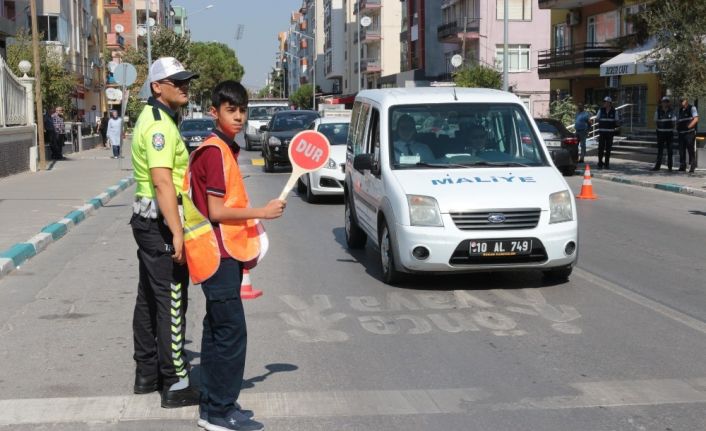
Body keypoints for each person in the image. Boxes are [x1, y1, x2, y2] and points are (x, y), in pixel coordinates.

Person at [184, 80, 285, 431]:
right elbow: (215, 211)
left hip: (221, 253)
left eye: (243, 110)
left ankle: (214, 405)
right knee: (230, 333)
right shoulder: (214, 151)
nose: (239, 116)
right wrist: (261, 212)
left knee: (216, 331)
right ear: (215, 112)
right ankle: (219, 413)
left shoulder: (225, 149)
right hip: (216, 254)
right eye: (231, 110)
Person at [129, 57, 200, 408]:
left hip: (148, 220)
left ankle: (147, 373)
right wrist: (176, 231)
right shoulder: (159, 125)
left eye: (186, 80)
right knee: (172, 298)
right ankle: (175, 381)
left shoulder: (162, 118)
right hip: (159, 221)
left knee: (148, 297)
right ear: (158, 87)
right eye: (177, 81)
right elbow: (161, 181)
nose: (184, 85)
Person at [594, 96, 619, 169]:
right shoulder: (601, 110)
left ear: (609, 103)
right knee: (600, 148)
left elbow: (617, 121)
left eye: (606, 102)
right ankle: (600, 163)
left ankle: (607, 164)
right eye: (604, 102)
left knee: (608, 149)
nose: (604, 103)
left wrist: (617, 124)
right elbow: (597, 119)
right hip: (602, 132)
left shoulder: (614, 111)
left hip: (610, 133)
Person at [653, 96, 676, 172]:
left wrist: (671, 129)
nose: (665, 103)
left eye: (666, 101)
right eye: (664, 101)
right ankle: (657, 166)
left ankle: (670, 167)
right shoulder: (658, 111)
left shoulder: (672, 111)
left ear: (668, 103)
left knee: (670, 150)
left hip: (669, 133)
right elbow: (656, 121)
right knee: (660, 150)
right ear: (661, 103)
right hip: (660, 133)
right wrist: (659, 129)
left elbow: (674, 122)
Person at [677, 96, 699, 173]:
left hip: (689, 133)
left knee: (690, 149)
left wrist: (689, 126)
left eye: (682, 100)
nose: (681, 102)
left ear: (686, 100)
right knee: (681, 150)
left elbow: (696, 119)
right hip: (681, 133)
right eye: (680, 101)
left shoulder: (692, 108)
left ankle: (692, 166)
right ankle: (682, 165)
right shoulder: (680, 110)